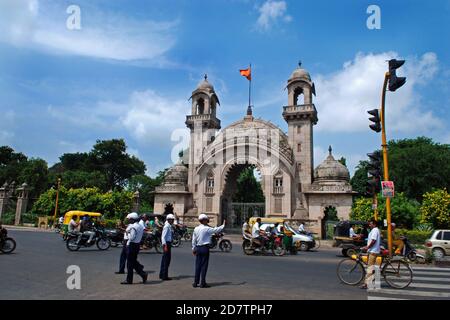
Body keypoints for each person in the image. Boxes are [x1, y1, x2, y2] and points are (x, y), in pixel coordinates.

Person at [192, 214, 226, 288]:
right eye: (206, 220)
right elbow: (216, 230)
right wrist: (223, 225)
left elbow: (193, 240)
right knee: (204, 266)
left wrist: (193, 248)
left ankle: (195, 282)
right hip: (204, 248)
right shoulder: (207, 228)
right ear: (204, 220)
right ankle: (202, 283)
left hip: (198, 248)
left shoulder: (196, 228)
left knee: (197, 266)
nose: (207, 222)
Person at [121, 212, 147, 285]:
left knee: (130, 264)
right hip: (137, 245)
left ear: (132, 220)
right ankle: (142, 274)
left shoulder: (133, 227)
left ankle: (129, 280)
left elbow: (131, 238)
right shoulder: (140, 226)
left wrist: (127, 233)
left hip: (131, 245)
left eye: (129, 219)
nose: (129, 220)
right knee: (133, 262)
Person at [360, 219, 381, 289]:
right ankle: (372, 279)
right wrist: (367, 247)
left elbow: (373, 240)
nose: (369, 225)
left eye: (371, 224)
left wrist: (367, 247)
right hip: (372, 250)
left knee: (369, 268)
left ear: (374, 224)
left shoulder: (375, 230)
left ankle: (367, 284)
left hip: (373, 251)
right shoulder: (374, 230)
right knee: (371, 267)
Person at [160, 214, 175, 281]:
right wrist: (165, 245)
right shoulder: (167, 226)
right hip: (166, 244)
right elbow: (163, 236)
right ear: (168, 219)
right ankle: (164, 276)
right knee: (166, 260)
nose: (173, 221)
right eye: (172, 219)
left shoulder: (169, 226)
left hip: (167, 243)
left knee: (164, 260)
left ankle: (162, 274)